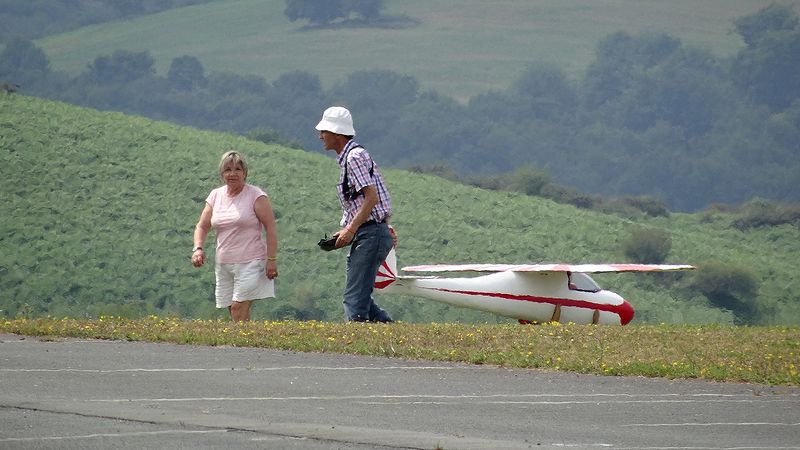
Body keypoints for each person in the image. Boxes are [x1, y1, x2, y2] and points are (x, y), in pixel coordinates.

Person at [316, 106, 395, 323]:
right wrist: (347, 230)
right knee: (360, 298)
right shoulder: (353, 156)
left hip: (370, 234)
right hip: (369, 233)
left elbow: (371, 198)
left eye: (324, 131)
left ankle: (357, 340)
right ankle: (392, 333)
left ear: (337, 133)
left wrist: (351, 229)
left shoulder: (354, 158)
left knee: (354, 300)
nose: (320, 136)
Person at [191, 150, 278, 322]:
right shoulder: (215, 196)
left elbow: (271, 228)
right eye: (228, 169)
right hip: (224, 263)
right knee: (234, 309)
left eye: (237, 169)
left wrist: (272, 259)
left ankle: (239, 344)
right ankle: (246, 343)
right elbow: (202, 226)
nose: (232, 174)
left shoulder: (255, 195)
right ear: (221, 173)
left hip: (251, 261)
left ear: (245, 173)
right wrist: (198, 248)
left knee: (238, 306)